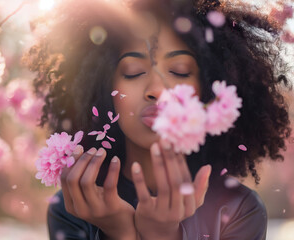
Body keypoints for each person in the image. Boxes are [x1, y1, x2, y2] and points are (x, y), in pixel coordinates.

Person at [24, 0, 292, 239]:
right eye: (133, 71)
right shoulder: (74, 206)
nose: (157, 89)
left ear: (209, 87)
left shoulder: (239, 209)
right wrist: (119, 234)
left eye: (179, 71)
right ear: (104, 89)